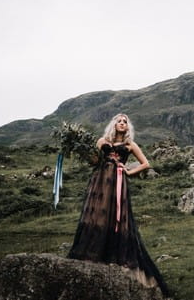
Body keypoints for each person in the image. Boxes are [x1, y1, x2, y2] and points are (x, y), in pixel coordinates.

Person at [68, 113, 170, 297]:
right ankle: (92, 255)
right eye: (119, 121)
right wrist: (79, 147)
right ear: (113, 124)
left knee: (115, 214)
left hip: (117, 182)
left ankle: (115, 256)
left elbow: (146, 163)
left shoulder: (130, 145)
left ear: (127, 127)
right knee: (97, 214)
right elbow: (94, 161)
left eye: (125, 122)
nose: (122, 123)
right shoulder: (102, 141)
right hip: (99, 182)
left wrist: (130, 172)